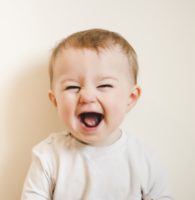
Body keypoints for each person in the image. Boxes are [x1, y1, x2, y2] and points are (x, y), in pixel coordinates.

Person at [21, 28, 172, 200]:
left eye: (104, 86)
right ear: (56, 100)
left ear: (130, 98)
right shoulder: (48, 156)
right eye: (73, 87)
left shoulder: (143, 158)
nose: (87, 96)